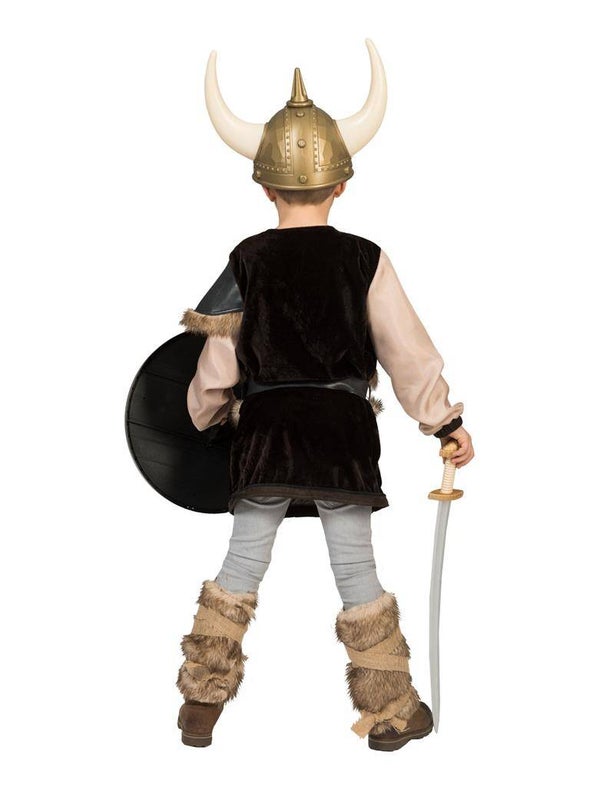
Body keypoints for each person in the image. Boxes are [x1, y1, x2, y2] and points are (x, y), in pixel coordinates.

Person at [175, 40, 474, 751]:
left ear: (264, 189)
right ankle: (391, 709)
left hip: (268, 436)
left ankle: (200, 703)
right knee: (356, 567)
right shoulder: (364, 259)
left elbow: (218, 364)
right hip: (341, 438)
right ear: (342, 184)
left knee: (242, 564)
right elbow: (406, 353)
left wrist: (202, 417)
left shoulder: (247, 260)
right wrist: (443, 423)